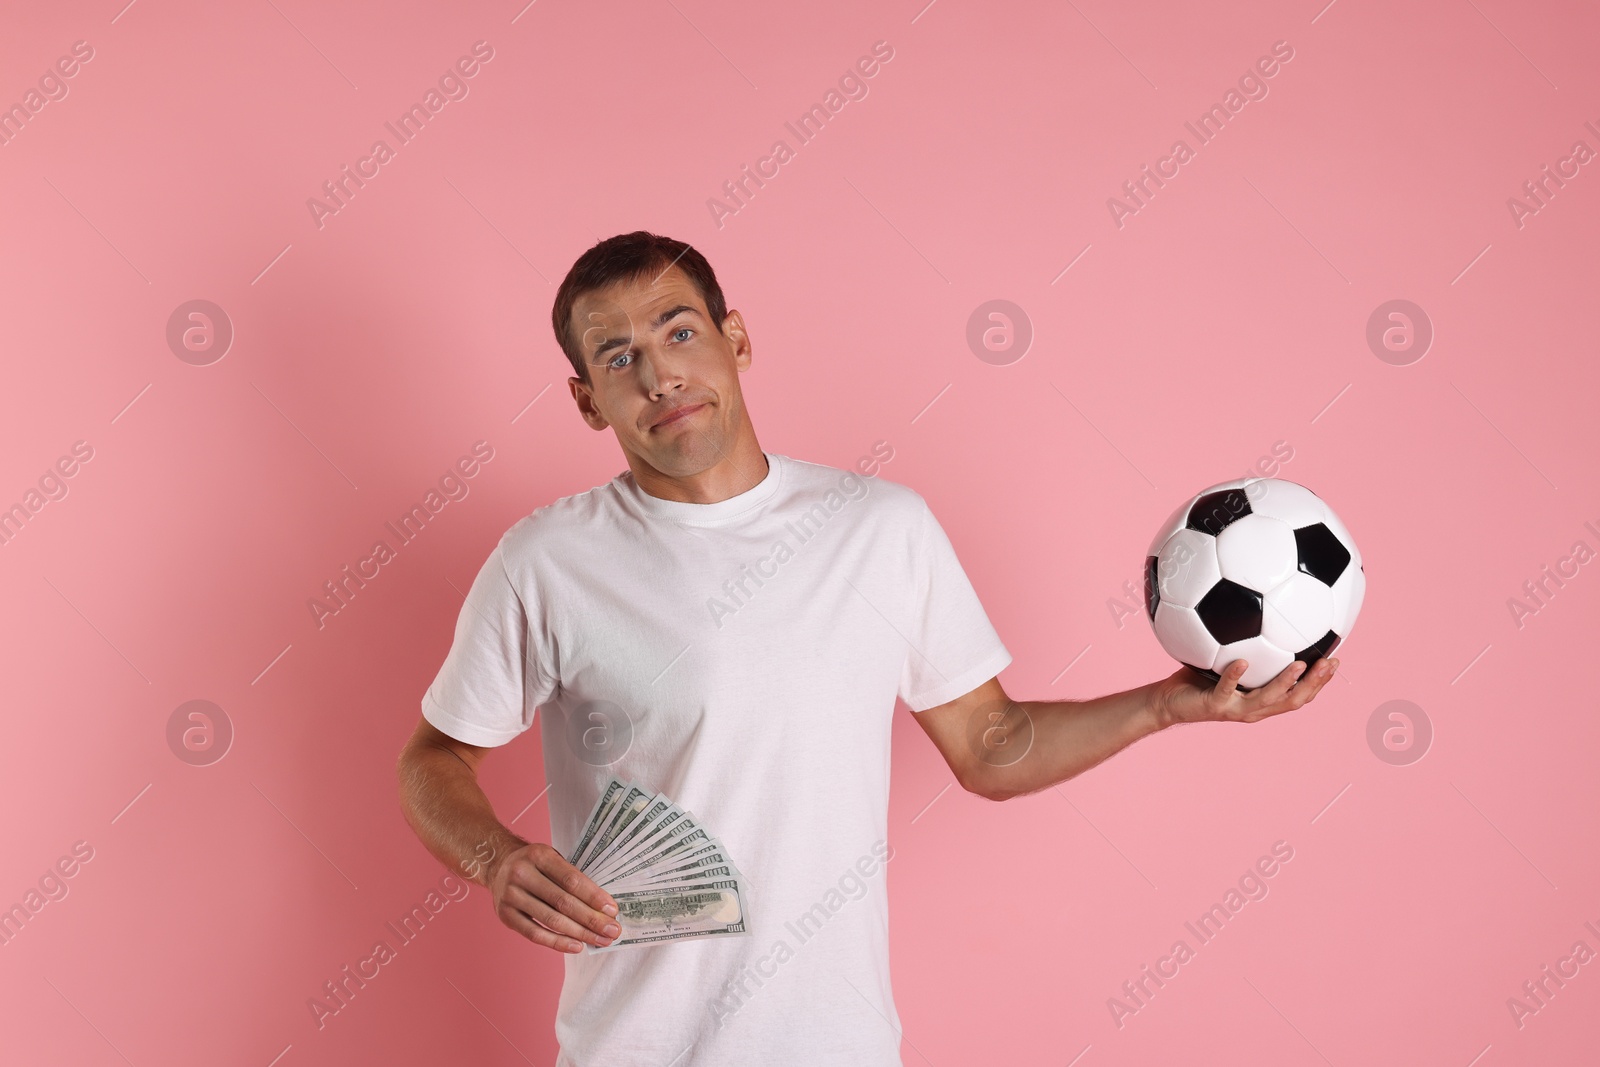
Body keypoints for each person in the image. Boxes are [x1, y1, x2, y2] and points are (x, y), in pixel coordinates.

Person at [395, 230, 1339, 1065]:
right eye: (619, 356)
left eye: (680, 331)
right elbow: (434, 757)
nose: (660, 375)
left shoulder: (881, 529)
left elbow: (989, 746)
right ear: (588, 399)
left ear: (738, 338)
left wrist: (1170, 702)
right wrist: (494, 858)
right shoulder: (547, 562)